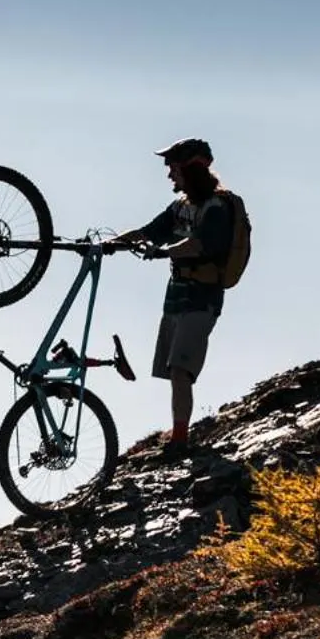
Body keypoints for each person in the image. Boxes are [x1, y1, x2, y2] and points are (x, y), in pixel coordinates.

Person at [107, 138, 235, 460]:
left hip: (202, 298)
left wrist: (164, 251)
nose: (169, 176)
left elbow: (202, 245)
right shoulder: (181, 206)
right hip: (177, 294)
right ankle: (179, 435)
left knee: (180, 369)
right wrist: (111, 244)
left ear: (192, 168)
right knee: (175, 371)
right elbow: (150, 231)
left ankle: (180, 442)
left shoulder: (217, 208)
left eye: (173, 168)